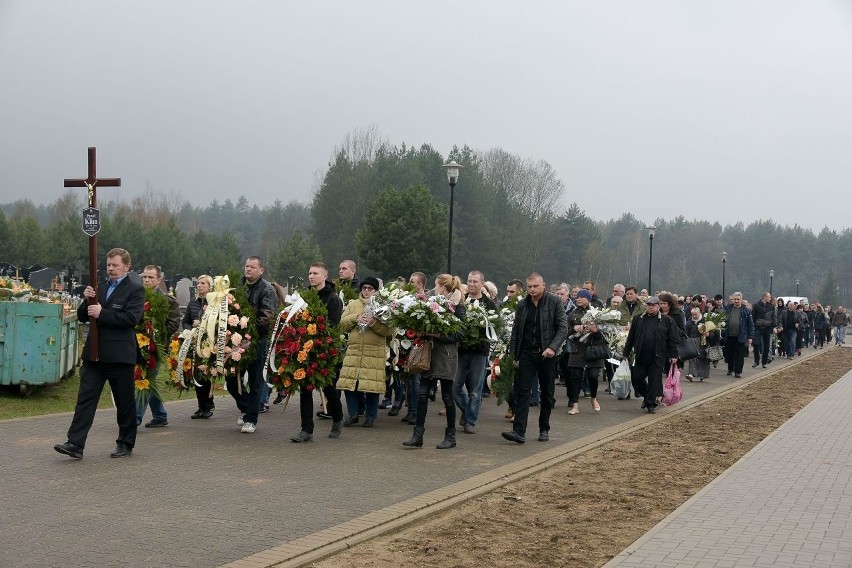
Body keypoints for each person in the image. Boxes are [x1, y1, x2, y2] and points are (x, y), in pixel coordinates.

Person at [55, 248, 145, 459]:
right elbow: (83, 317)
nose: (111, 269)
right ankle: (75, 443)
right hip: (95, 354)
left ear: (127, 266)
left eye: (115, 265)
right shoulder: (99, 287)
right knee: (85, 399)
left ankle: (125, 442)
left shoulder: (134, 290)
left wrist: (102, 313)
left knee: (124, 402)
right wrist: (86, 301)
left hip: (120, 355)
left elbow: (131, 319)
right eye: (108, 265)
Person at [501, 272, 569, 444]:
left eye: (535, 286)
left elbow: (562, 328)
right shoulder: (523, 305)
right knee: (522, 391)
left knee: (547, 393)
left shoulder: (554, 302)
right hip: (526, 353)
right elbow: (516, 331)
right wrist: (513, 355)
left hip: (547, 354)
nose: (532, 289)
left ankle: (544, 428)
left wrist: (552, 348)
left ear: (543, 285)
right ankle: (519, 431)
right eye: (529, 286)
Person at [403, 274, 466, 449]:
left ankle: (451, 436)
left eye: (436, 286)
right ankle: (418, 435)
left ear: (443, 287)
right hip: (429, 354)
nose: (433, 289)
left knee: (447, 396)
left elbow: (460, 334)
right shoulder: (431, 305)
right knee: (422, 395)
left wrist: (437, 334)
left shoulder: (457, 306)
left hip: (446, 355)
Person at [291, 262, 345, 442]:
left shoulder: (333, 299)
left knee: (328, 388)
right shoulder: (303, 297)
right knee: (305, 389)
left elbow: (333, 326)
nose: (311, 276)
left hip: (324, 351)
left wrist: (318, 340)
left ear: (324, 276)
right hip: (304, 348)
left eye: (315, 273)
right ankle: (306, 430)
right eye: (309, 273)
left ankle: (337, 418)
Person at [227, 256, 278, 434]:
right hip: (234, 339)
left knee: (255, 381)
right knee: (231, 378)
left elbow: (268, 316)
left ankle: (251, 418)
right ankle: (246, 407)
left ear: (261, 270)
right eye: (247, 266)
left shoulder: (267, 289)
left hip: (257, 340)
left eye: (253, 267)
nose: (248, 270)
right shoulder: (237, 286)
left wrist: (247, 329)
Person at [336, 277, 393, 428]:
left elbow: (389, 331)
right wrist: (356, 318)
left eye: (370, 288)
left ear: (376, 291)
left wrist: (373, 323)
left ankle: (370, 416)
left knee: (372, 387)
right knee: (349, 384)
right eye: (364, 288)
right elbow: (342, 324)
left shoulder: (383, 306)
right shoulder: (353, 304)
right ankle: (353, 414)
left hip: (374, 352)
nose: (366, 291)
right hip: (354, 351)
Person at [136, 265, 181, 428]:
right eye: (145, 277)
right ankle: (160, 416)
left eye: (151, 277)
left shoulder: (168, 301)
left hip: (156, 348)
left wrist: (155, 336)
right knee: (147, 380)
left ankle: (135, 417)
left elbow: (174, 323)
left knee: (146, 379)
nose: (147, 280)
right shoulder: (137, 297)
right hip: (137, 344)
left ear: (159, 279)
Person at [453, 270, 497, 434]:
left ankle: (470, 421)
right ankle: (467, 410)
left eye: (475, 282)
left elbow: (494, 328)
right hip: (462, 349)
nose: (471, 284)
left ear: (481, 284)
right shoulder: (462, 301)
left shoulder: (489, 304)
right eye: (469, 281)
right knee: (455, 386)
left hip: (479, 351)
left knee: (476, 388)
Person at [622, 296, 679, 414]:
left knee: (654, 381)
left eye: (653, 305)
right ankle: (648, 397)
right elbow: (631, 336)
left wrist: (673, 354)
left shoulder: (667, 320)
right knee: (637, 378)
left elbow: (673, 339)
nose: (650, 307)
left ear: (658, 307)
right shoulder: (639, 319)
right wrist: (626, 352)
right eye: (648, 305)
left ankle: (650, 404)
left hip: (657, 356)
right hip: (641, 354)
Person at [565, 289, 605, 414]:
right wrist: (574, 328)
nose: (578, 299)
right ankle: (575, 406)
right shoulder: (572, 314)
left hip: (593, 351)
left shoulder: (597, 313)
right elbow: (565, 332)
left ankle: (593, 398)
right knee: (575, 378)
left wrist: (595, 331)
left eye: (582, 297)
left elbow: (605, 336)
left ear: (588, 299)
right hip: (577, 350)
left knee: (593, 376)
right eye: (577, 297)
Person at [183, 274, 215, 418]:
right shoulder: (193, 303)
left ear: (210, 286)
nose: (200, 285)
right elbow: (185, 321)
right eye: (199, 283)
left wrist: (202, 325)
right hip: (194, 343)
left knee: (206, 374)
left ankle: (208, 405)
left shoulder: (214, 303)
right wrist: (190, 330)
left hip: (208, 344)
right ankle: (200, 406)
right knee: (196, 374)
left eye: (203, 283)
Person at [400, 271, 428, 425]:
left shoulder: (424, 302)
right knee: (409, 380)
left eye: (412, 281)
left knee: (416, 380)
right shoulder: (408, 299)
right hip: (407, 342)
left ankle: (416, 412)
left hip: (418, 344)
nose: (409, 283)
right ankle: (411, 410)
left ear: (420, 285)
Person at [723, 292, 754, 377]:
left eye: (738, 299)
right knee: (729, 354)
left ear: (741, 300)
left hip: (741, 336)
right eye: (735, 299)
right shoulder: (727, 309)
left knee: (739, 355)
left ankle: (738, 371)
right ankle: (730, 368)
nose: (736, 301)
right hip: (729, 336)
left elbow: (750, 325)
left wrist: (750, 336)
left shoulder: (745, 311)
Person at [684, 307, 710, 381]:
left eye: (696, 314)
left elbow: (712, 333)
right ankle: (691, 374)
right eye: (693, 315)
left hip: (702, 343)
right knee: (692, 358)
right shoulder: (689, 322)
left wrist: (708, 334)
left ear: (699, 313)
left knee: (702, 359)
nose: (694, 316)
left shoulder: (705, 321)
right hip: (692, 342)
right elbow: (686, 333)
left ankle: (702, 376)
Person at [751, 292, 776, 369]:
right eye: (769, 297)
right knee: (756, 344)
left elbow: (773, 317)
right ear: (764, 297)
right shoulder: (756, 306)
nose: (770, 299)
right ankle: (756, 361)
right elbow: (753, 317)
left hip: (767, 328)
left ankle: (764, 362)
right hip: (758, 328)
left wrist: (774, 326)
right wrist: (754, 325)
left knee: (766, 346)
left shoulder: (771, 306)